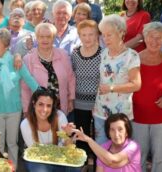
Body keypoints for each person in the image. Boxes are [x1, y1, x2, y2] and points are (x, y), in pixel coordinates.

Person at [0, 28, 39, 168]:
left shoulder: (16, 62)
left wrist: (43, 94)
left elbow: (30, 80)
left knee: (12, 143)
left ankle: (13, 169)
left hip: (14, 109)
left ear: (6, 45)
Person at [132, 22, 162, 172]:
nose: (154, 41)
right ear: (145, 38)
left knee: (161, 158)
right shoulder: (133, 60)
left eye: (159, 38)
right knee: (138, 158)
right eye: (151, 37)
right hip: (137, 117)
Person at [93, 14, 141, 144]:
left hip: (121, 113)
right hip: (100, 111)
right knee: (101, 149)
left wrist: (111, 88)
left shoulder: (131, 56)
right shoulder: (103, 54)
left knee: (120, 151)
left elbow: (136, 85)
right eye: (103, 34)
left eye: (110, 34)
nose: (105, 38)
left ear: (121, 33)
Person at [20, 87, 79, 172]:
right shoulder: (25, 124)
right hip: (37, 159)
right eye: (41, 104)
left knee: (75, 168)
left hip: (59, 158)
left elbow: (68, 148)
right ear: (34, 104)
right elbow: (35, 152)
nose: (44, 109)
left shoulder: (60, 117)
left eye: (48, 106)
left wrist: (67, 136)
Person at [22, 23, 75, 115]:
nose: (45, 39)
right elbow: (25, 87)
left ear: (53, 38)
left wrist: (71, 99)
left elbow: (70, 78)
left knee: (60, 129)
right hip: (38, 108)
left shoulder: (63, 55)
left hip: (59, 106)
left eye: (48, 36)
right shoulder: (28, 59)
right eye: (41, 36)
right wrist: (26, 110)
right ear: (37, 38)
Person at [70, 19, 102, 164]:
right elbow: (72, 75)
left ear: (97, 35)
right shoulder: (75, 53)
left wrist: (98, 101)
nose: (87, 38)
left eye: (91, 34)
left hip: (98, 102)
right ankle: (82, 162)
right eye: (84, 35)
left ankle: (97, 162)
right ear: (79, 36)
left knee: (98, 134)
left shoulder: (104, 53)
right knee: (81, 133)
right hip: (79, 101)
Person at [74, 113, 141, 172]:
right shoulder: (103, 148)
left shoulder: (133, 147)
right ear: (108, 133)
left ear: (127, 132)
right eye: (112, 130)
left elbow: (112, 161)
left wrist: (89, 140)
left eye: (120, 129)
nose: (116, 134)